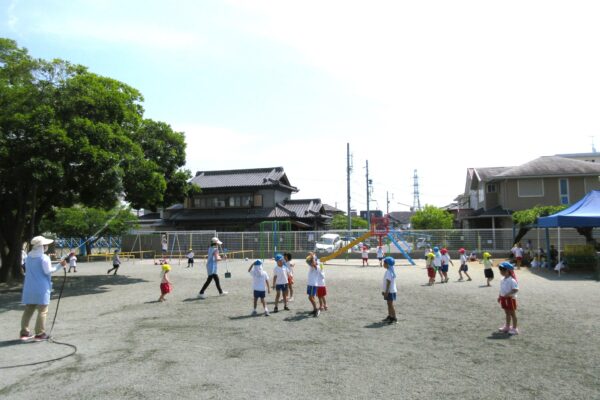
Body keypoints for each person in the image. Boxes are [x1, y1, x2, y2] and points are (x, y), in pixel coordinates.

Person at [20, 235, 67, 341]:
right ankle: (40, 333)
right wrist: (60, 265)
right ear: (42, 246)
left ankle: (24, 332)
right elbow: (48, 271)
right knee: (42, 311)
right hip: (41, 287)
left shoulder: (28, 256)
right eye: (45, 245)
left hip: (29, 287)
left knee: (28, 310)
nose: (46, 246)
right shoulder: (44, 257)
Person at [497, 261, 519, 335]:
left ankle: (515, 328)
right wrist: (499, 296)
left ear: (508, 271)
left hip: (510, 299)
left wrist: (508, 294)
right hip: (504, 298)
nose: (501, 272)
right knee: (507, 313)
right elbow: (501, 289)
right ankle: (507, 326)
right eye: (501, 270)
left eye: (503, 270)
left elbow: (516, 289)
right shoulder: (502, 279)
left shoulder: (512, 280)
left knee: (512, 314)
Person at [381, 256, 398, 324]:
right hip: (391, 290)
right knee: (389, 304)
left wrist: (386, 292)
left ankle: (394, 318)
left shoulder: (388, 272)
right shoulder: (390, 270)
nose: (383, 264)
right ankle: (390, 316)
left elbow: (388, 282)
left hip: (390, 291)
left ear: (387, 264)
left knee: (390, 304)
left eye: (384, 263)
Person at [306, 252, 320, 317]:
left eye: (312, 261)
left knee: (310, 297)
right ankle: (315, 309)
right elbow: (307, 261)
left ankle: (317, 309)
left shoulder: (317, 266)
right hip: (310, 283)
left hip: (313, 284)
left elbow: (313, 263)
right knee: (312, 297)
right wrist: (312, 256)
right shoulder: (312, 265)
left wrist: (313, 256)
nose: (311, 263)